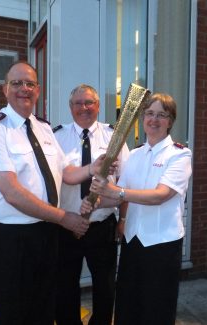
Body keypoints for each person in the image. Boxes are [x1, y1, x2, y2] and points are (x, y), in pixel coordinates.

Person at [0, 62, 110, 325]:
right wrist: (63, 217)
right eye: (17, 83)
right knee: (12, 312)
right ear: (5, 89)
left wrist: (93, 168)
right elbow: (12, 193)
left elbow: (65, 173)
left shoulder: (44, 128)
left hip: (46, 235)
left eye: (30, 84)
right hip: (11, 239)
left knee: (44, 309)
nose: (24, 89)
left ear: (38, 91)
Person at [81, 93, 192, 325]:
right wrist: (96, 201)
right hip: (133, 242)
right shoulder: (134, 155)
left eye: (162, 115)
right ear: (142, 118)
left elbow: (160, 196)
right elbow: (119, 195)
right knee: (128, 307)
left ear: (170, 120)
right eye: (150, 113)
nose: (154, 119)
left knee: (156, 309)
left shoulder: (180, 154)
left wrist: (116, 193)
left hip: (162, 245)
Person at [53, 84, 129, 325]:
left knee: (105, 287)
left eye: (89, 103)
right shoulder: (56, 138)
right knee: (64, 286)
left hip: (102, 225)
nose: (84, 108)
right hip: (66, 225)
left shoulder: (114, 136)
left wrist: (123, 220)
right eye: (78, 103)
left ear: (98, 106)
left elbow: (127, 183)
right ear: (70, 107)